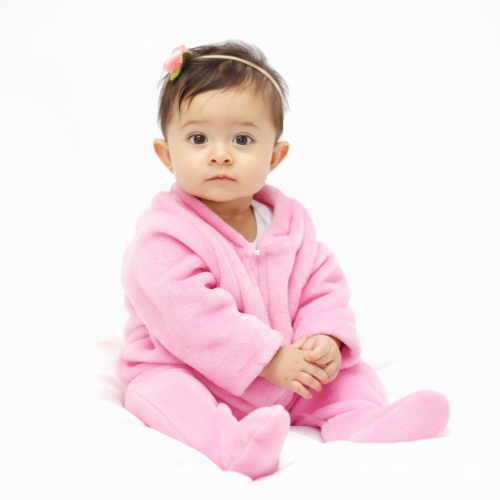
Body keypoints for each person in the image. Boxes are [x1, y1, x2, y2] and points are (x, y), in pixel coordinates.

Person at [116, 40, 450, 480]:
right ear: (166, 155)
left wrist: (324, 339)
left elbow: (321, 286)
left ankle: (362, 421)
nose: (220, 153)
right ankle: (230, 445)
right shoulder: (164, 236)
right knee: (166, 394)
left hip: (288, 371)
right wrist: (268, 358)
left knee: (348, 375)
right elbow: (190, 316)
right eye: (198, 139)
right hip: (188, 368)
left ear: (274, 156)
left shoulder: (290, 228)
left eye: (242, 139)